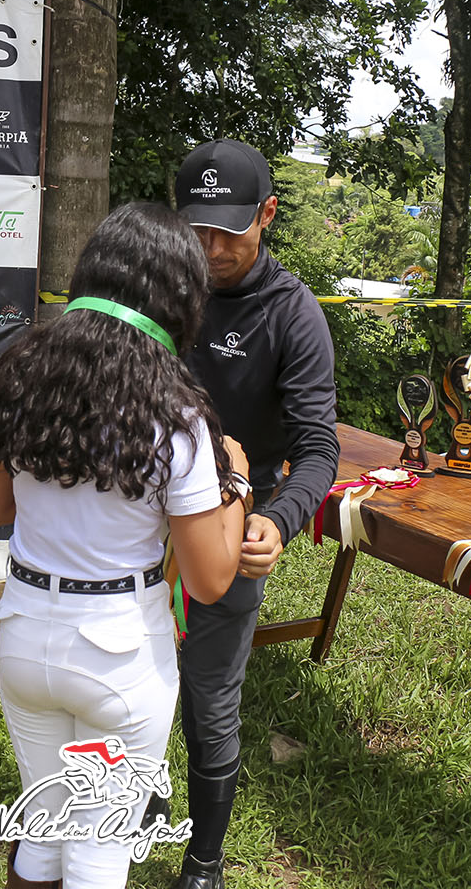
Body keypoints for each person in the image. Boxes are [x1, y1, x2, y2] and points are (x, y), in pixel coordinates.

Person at [0, 202, 251, 889]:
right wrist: (236, 483)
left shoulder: (20, 373)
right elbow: (210, 579)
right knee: (98, 853)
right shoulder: (178, 415)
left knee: (42, 834)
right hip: (121, 654)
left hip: (25, 636)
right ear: (181, 296)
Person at [169, 139, 340, 889]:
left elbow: (318, 447)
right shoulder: (163, 288)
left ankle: (203, 861)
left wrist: (280, 518)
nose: (211, 250)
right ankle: (137, 802)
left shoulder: (292, 312)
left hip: (237, 512)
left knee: (210, 689)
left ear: (267, 215)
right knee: (137, 670)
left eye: (229, 232)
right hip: (144, 511)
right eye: (197, 231)